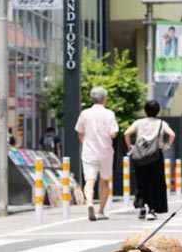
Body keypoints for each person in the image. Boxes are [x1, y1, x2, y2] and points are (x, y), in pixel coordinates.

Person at [124, 100, 175, 220]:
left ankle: (141, 206)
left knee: (141, 182)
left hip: (140, 156)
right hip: (155, 157)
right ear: (158, 111)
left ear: (145, 110)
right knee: (155, 183)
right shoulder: (162, 123)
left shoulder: (138, 122)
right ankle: (152, 210)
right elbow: (172, 134)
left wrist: (130, 147)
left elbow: (126, 133)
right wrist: (166, 146)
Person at [75, 86, 119, 221]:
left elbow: (79, 131)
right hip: (105, 152)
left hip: (89, 152)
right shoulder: (110, 114)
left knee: (89, 181)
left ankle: (89, 202)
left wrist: (85, 142)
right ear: (104, 99)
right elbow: (113, 134)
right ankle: (101, 211)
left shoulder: (85, 113)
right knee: (104, 181)